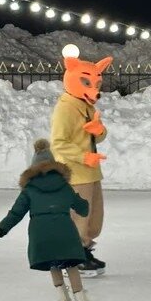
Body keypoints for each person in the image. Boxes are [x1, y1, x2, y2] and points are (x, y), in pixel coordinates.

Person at [0, 139, 93, 301]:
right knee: (70, 264)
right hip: (64, 231)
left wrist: (3, 228)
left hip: (41, 234)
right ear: (55, 166)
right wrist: (82, 200)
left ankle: (62, 297)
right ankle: (82, 300)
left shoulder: (29, 190)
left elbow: (16, 213)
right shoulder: (65, 187)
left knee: (53, 263)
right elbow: (83, 209)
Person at [50, 56, 112, 276]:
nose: (94, 89)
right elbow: (58, 143)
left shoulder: (85, 105)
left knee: (94, 218)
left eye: (97, 84)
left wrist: (99, 131)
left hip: (91, 172)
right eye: (87, 84)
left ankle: (84, 250)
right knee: (79, 218)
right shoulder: (65, 108)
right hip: (76, 174)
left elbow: (98, 136)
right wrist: (83, 157)